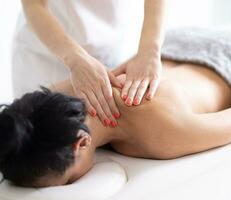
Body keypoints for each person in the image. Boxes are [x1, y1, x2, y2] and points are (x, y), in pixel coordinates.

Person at [0, 59, 231, 187]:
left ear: (81, 142)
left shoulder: (164, 134)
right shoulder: (63, 94)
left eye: (68, 180)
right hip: (178, 49)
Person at [12, 0, 166, 128]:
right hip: (44, 56)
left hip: (107, 50)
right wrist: (75, 59)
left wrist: (150, 50)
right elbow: (34, 4)